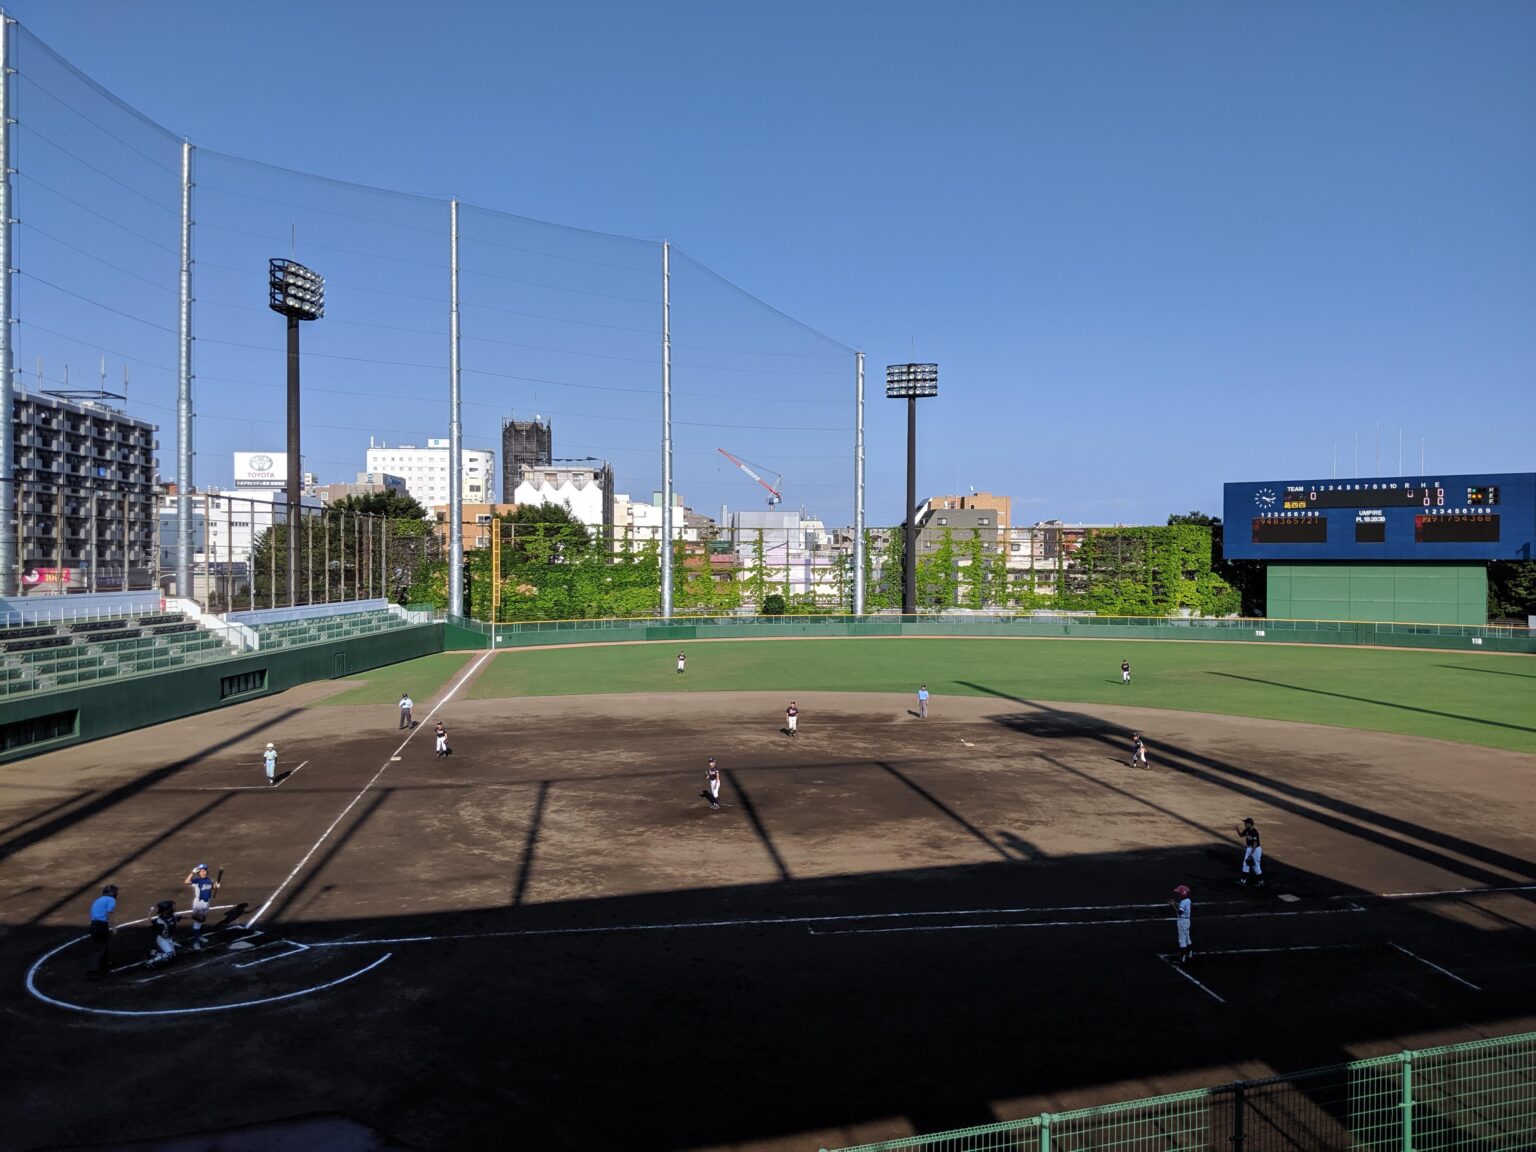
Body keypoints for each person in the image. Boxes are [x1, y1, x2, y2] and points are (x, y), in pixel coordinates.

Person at [183, 863, 218, 951]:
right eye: (201, 871)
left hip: (206, 903)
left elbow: (210, 888)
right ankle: (196, 942)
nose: (203, 872)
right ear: (198, 872)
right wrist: (192, 873)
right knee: (198, 922)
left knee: (203, 920)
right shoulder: (197, 881)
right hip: (199, 904)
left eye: (204, 870)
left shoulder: (209, 880)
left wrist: (215, 886)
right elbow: (186, 882)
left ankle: (199, 936)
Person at [88, 884, 118, 978]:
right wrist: (113, 927)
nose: (116, 894)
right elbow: (109, 913)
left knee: (104, 945)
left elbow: (91, 915)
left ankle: (105, 965)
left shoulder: (97, 900)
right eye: (114, 892)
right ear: (110, 893)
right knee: (100, 948)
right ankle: (92, 970)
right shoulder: (111, 899)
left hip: (94, 925)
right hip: (101, 926)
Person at [146, 900, 179, 968]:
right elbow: (149, 924)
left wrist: (192, 916)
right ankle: (149, 962)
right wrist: (150, 912)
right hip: (162, 939)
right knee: (169, 954)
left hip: (169, 938)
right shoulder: (159, 921)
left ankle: (153, 952)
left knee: (172, 956)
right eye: (170, 908)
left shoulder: (173, 916)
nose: (172, 909)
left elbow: (180, 917)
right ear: (165, 911)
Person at [1236, 818, 1264, 886]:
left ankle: (1261, 882)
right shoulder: (1247, 830)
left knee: (1256, 866)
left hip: (1255, 850)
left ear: (1249, 824)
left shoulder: (1254, 832)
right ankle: (1243, 881)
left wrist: (1251, 854)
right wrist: (1237, 830)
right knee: (1246, 864)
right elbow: (1241, 835)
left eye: (1245, 823)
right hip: (1249, 849)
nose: (1244, 824)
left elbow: (1255, 844)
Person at [1169, 884, 1193, 963]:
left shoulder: (1183, 902)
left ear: (1182, 894)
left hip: (1182, 922)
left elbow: (1179, 912)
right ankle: (1190, 954)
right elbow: (1183, 906)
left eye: (1179, 893)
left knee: (1182, 940)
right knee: (1187, 937)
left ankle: (1182, 958)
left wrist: (1173, 905)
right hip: (1187, 921)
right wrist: (1176, 903)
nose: (1178, 895)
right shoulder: (1188, 900)